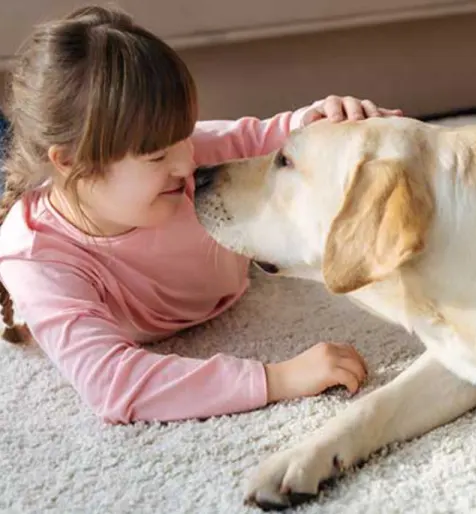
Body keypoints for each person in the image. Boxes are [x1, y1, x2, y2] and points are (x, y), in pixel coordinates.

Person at [0, 5, 403, 424]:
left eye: (185, 134)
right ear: (68, 163)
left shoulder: (193, 154)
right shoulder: (37, 255)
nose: (186, 162)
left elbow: (270, 137)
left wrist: (325, 118)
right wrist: (276, 379)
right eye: (156, 156)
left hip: (237, 284)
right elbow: (114, 384)